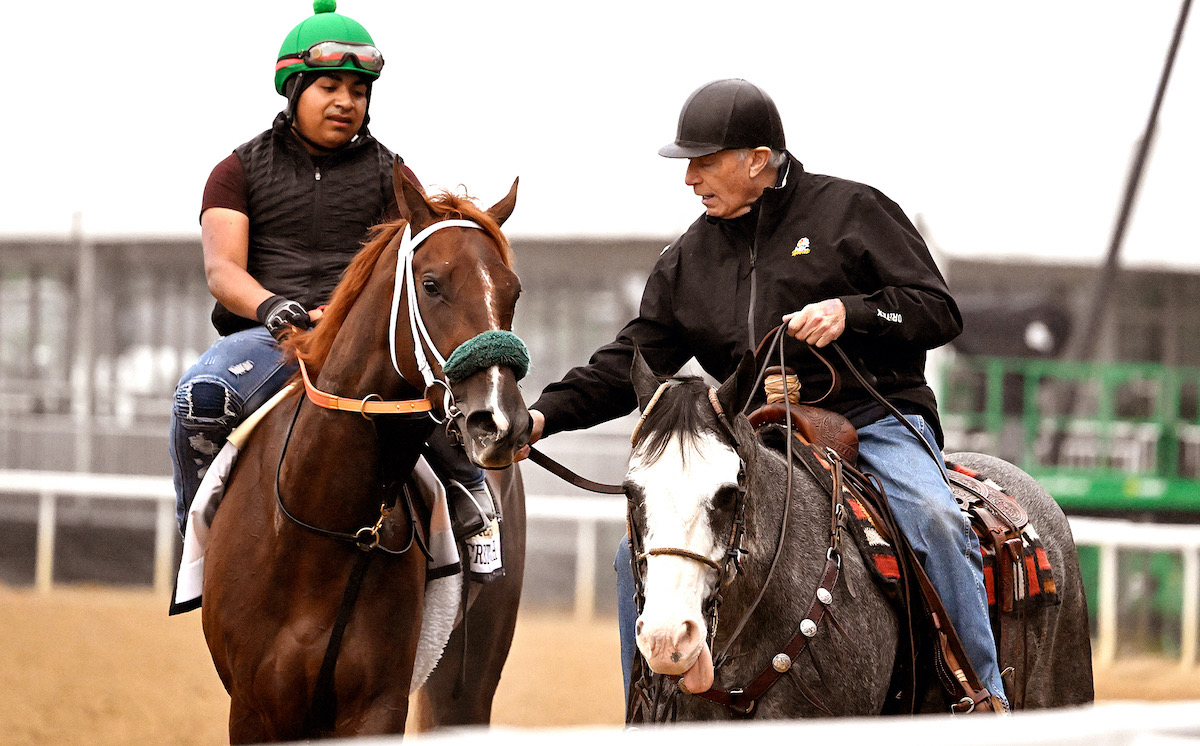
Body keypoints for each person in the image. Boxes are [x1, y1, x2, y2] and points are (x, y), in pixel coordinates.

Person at [523, 79, 1007, 712]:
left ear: (758, 159)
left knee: (935, 520)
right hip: (755, 437)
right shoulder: (687, 259)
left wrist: (852, 313)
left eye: (703, 160)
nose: (690, 177)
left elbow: (939, 311)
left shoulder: (854, 212)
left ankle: (983, 699)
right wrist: (540, 417)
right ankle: (645, 712)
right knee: (627, 560)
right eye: (686, 162)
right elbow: (629, 362)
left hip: (875, 421)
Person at [170, 0, 492, 541]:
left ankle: (476, 511)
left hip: (362, 344)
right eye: (329, 87)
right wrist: (273, 307)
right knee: (198, 395)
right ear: (295, 89)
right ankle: (199, 543)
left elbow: (417, 269)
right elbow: (222, 271)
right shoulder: (235, 171)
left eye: (359, 91)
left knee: (444, 403)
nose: (347, 102)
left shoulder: (395, 177)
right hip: (266, 340)